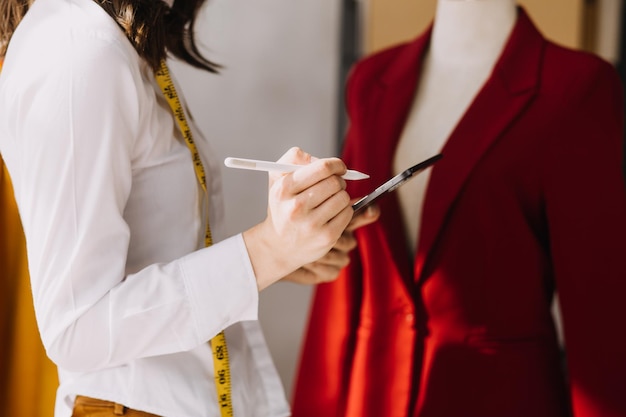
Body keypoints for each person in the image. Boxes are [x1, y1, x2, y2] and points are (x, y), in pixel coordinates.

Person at [0, 0, 379, 416]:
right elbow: (77, 327)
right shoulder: (78, 52)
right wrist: (265, 251)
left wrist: (282, 255)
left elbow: (149, 249)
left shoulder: (113, 42)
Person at [292, 1, 626, 416]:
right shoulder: (372, 79)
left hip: (497, 398)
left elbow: (598, 316)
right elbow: (343, 270)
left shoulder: (575, 88)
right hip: (370, 395)